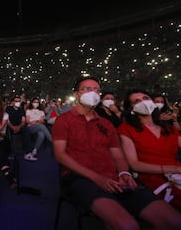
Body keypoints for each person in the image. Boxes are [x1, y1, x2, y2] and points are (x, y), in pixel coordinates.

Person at [52, 76, 181, 229]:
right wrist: (97, 178)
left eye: (96, 90)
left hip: (113, 177)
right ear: (76, 94)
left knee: (173, 221)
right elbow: (60, 155)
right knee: (127, 225)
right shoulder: (64, 120)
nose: (92, 92)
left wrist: (124, 174)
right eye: (86, 89)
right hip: (80, 178)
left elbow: (118, 155)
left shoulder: (106, 124)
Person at [118, 89, 181, 208]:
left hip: (177, 173)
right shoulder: (126, 128)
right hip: (153, 178)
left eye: (146, 98)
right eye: (137, 101)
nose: (143, 102)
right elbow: (134, 164)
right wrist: (174, 169)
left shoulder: (169, 129)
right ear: (131, 108)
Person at [6, 96, 36, 161]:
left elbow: (23, 120)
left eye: (19, 101)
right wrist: (13, 127)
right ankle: (9, 153)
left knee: (26, 130)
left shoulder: (21, 110)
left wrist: (18, 127)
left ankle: (28, 153)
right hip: (10, 126)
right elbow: (6, 120)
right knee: (7, 131)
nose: (18, 103)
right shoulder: (8, 109)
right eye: (16, 101)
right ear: (13, 102)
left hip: (19, 126)